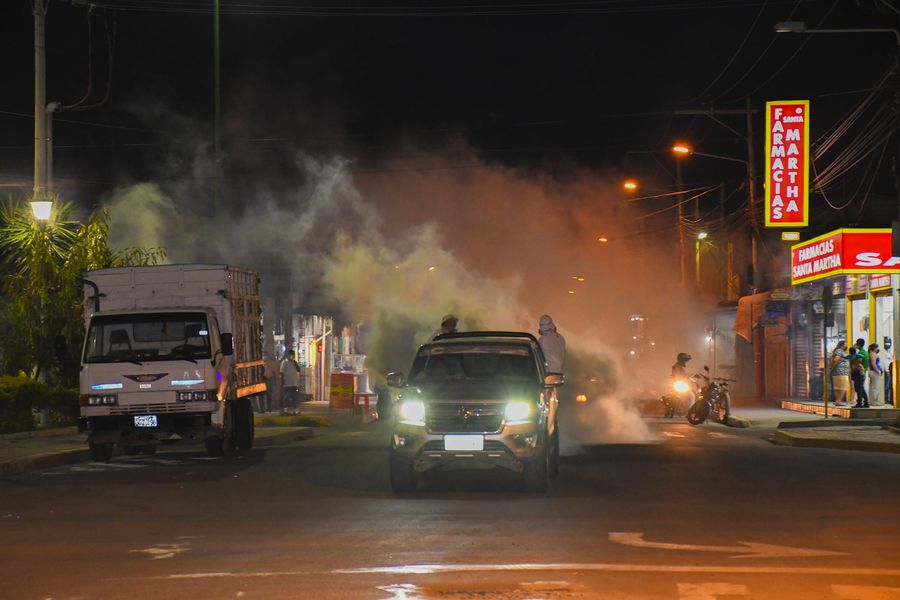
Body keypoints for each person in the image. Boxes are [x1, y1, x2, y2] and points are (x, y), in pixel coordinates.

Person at [829, 341, 851, 406]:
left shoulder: (837, 351)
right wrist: (832, 368)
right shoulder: (839, 351)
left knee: (838, 387)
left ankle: (837, 401)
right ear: (842, 345)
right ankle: (838, 401)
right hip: (841, 372)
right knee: (843, 387)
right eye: (845, 344)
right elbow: (836, 359)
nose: (846, 345)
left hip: (838, 372)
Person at [280, 349, 302, 415]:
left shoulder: (295, 362)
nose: (292, 356)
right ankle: (285, 411)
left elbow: (298, 370)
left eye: (293, 355)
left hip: (295, 383)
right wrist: (282, 381)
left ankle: (295, 411)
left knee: (295, 397)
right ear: (288, 355)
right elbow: (282, 372)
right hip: (287, 383)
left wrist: (295, 363)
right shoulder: (284, 362)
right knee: (286, 397)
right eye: (290, 355)